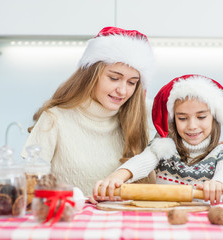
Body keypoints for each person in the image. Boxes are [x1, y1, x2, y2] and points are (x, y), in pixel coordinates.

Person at [22, 26, 156, 196]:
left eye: (132, 82)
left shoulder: (136, 119)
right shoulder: (54, 118)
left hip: (121, 218)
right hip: (69, 217)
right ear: (91, 74)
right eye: (114, 78)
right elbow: (32, 187)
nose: (122, 91)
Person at [93, 74, 223, 204]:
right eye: (182, 118)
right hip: (163, 218)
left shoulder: (222, 152)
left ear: (215, 118)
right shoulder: (164, 147)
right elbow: (143, 160)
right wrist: (117, 176)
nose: (192, 126)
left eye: (201, 117)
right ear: (173, 120)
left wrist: (218, 183)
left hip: (202, 222)